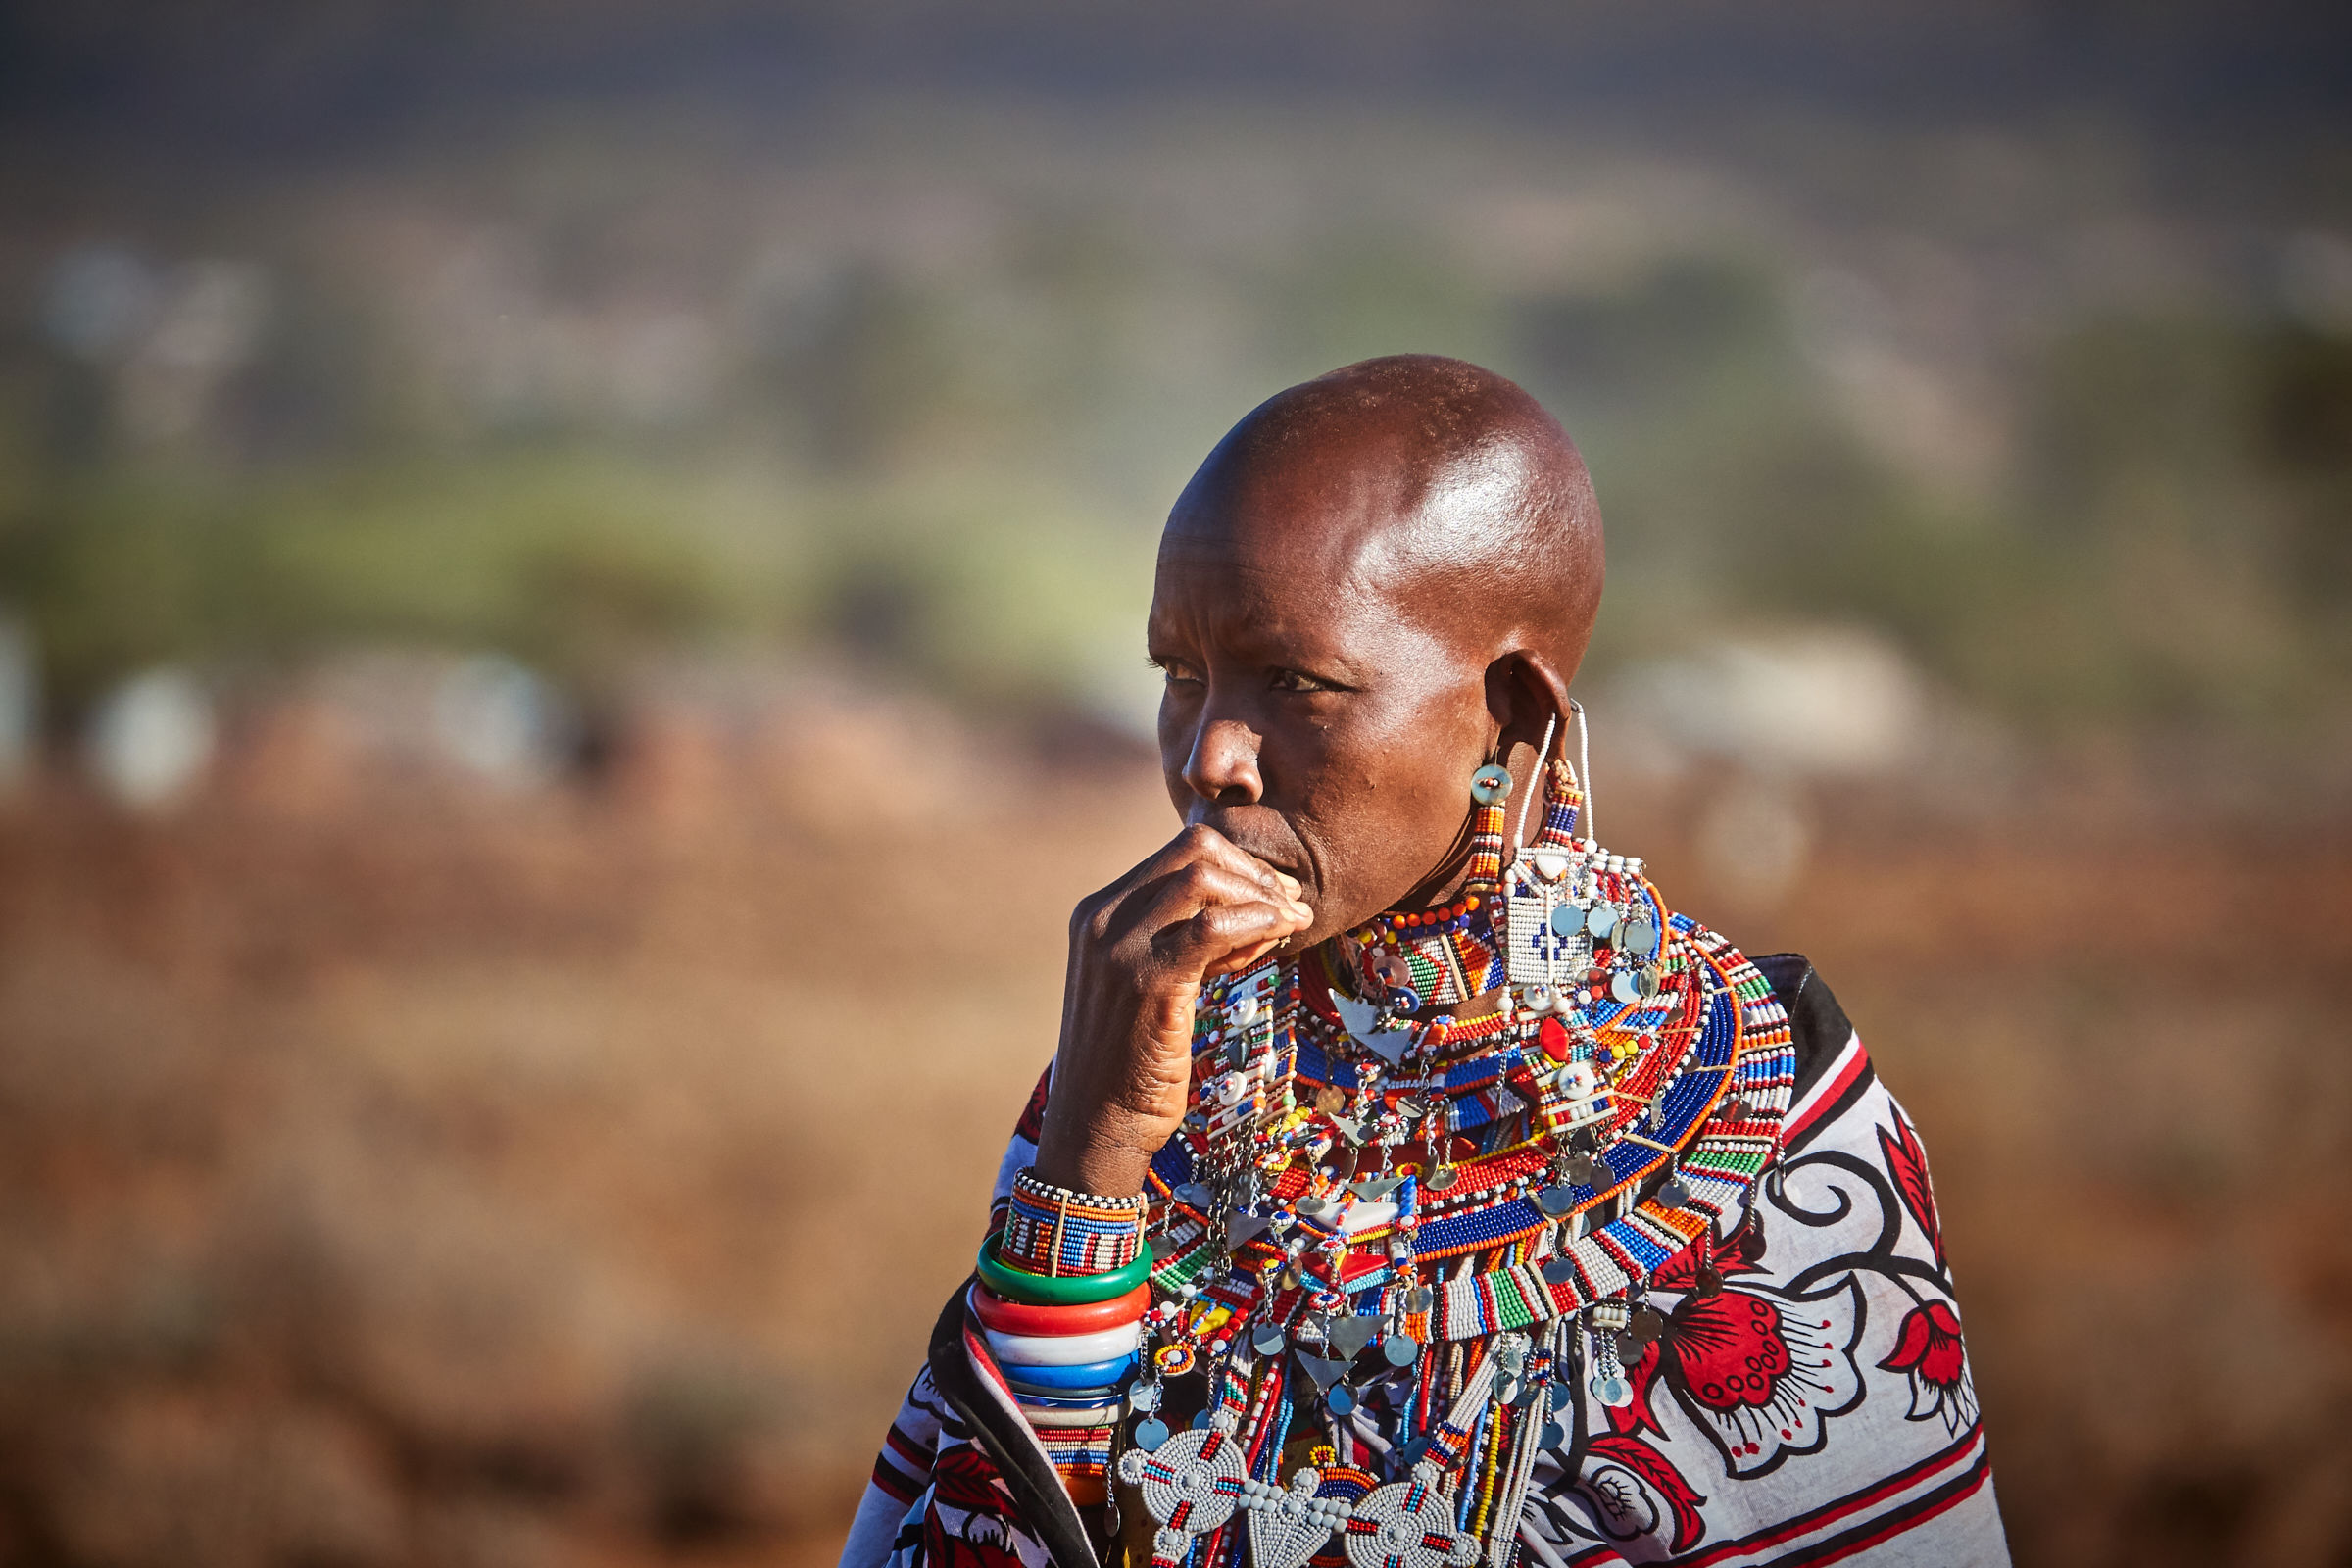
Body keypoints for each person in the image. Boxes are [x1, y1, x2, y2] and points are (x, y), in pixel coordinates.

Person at [841, 357, 2008, 1568]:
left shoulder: (1762, 1132)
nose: (1210, 757)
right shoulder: (1143, 1070)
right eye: (1181, 677)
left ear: (1512, 716)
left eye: (1294, 682)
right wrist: (1088, 1158)